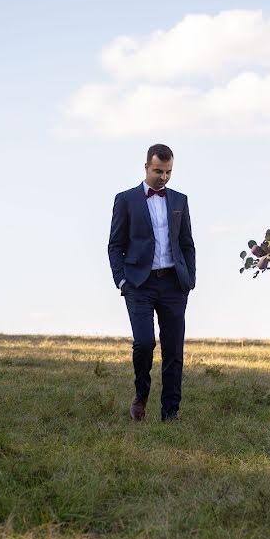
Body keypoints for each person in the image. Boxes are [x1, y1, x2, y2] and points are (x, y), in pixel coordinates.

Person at [108, 144, 196, 422]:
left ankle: (170, 412)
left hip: (173, 284)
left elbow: (186, 243)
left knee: (174, 351)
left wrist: (189, 279)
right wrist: (122, 280)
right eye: (158, 171)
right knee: (144, 343)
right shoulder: (125, 200)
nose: (164, 177)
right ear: (146, 167)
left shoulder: (180, 201)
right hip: (139, 284)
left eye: (168, 172)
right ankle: (141, 396)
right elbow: (115, 245)